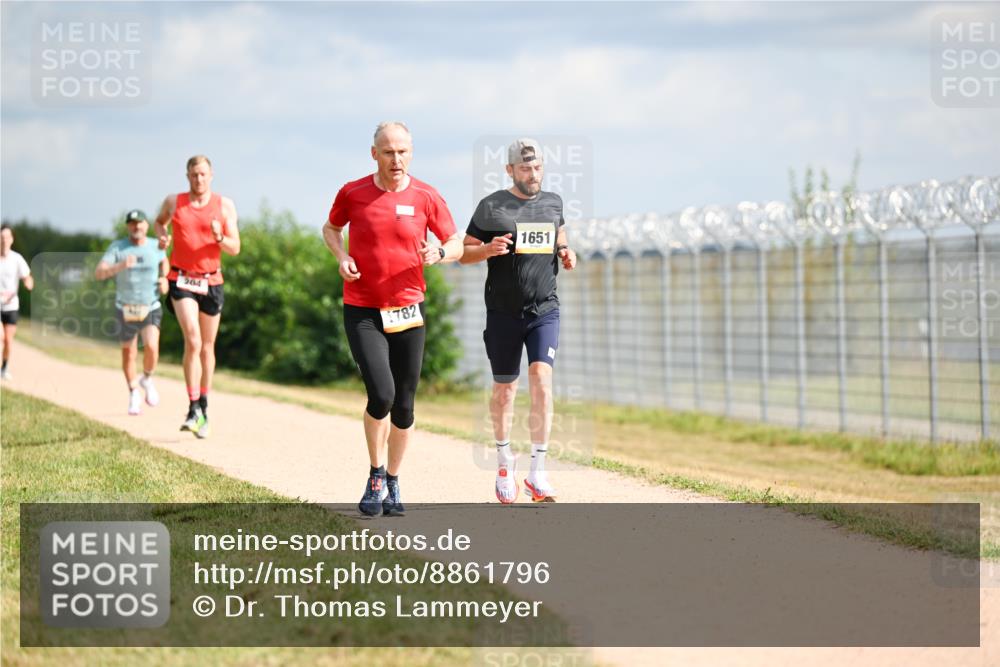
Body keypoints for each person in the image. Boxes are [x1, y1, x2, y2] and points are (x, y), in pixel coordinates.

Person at [323, 121, 462, 516]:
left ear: (411, 154)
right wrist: (342, 256)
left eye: (402, 152)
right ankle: (376, 474)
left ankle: (395, 481)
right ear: (375, 154)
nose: (396, 159)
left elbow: (454, 241)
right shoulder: (353, 193)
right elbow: (331, 229)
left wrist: (440, 253)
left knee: (404, 406)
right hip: (363, 308)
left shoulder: (426, 196)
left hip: (408, 309)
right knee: (381, 395)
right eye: (388, 152)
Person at [460, 138, 577, 503]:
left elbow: (559, 231)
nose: (533, 174)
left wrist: (565, 251)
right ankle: (504, 461)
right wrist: (487, 249)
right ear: (510, 170)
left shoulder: (553, 202)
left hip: (544, 309)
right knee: (505, 391)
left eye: (538, 167)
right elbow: (464, 252)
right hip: (503, 312)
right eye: (525, 168)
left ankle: (538, 471)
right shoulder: (491, 206)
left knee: (542, 379)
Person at [154, 155, 240, 439]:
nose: (198, 179)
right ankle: (192, 407)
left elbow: (235, 248)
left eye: (203, 174)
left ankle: (203, 405)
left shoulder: (224, 206)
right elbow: (159, 223)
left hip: (211, 281)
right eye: (194, 175)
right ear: (187, 176)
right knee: (192, 339)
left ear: (211, 175)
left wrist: (219, 237)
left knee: (206, 347)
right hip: (181, 279)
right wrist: (162, 237)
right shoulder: (174, 202)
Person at [95, 210, 170, 414]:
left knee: (152, 346)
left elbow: (165, 263)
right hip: (125, 307)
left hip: (150, 305)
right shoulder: (117, 247)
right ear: (127, 226)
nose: (136, 227)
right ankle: (133, 392)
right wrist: (120, 265)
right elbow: (99, 273)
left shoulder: (156, 246)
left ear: (146, 225)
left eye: (140, 223)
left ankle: (147, 378)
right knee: (129, 352)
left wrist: (164, 278)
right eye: (132, 223)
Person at [0, 223, 34, 380]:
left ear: (12, 239)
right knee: (1, 336)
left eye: (7, 237)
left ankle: (4, 367)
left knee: (8, 340)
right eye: (2, 237)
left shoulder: (16, 259)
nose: (4, 240)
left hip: (12, 305)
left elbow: (27, 276)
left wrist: (28, 283)